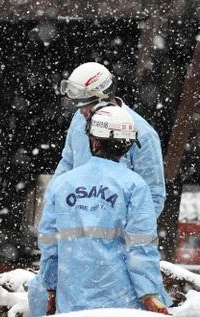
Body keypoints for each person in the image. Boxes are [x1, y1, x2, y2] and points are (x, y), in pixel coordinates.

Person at [38, 104, 169, 315]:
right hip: (120, 304)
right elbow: (141, 247)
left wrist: (51, 289)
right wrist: (150, 295)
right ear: (127, 146)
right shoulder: (135, 186)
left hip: (71, 303)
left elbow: (49, 244)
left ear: (94, 141)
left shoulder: (63, 185)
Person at [54, 61, 166, 217]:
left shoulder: (143, 134)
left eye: (86, 106)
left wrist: (132, 235)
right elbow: (66, 164)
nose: (81, 113)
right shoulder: (79, 121)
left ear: (103, 100)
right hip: (76, 228)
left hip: (116, 232)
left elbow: (153, 195)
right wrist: (53, 206)